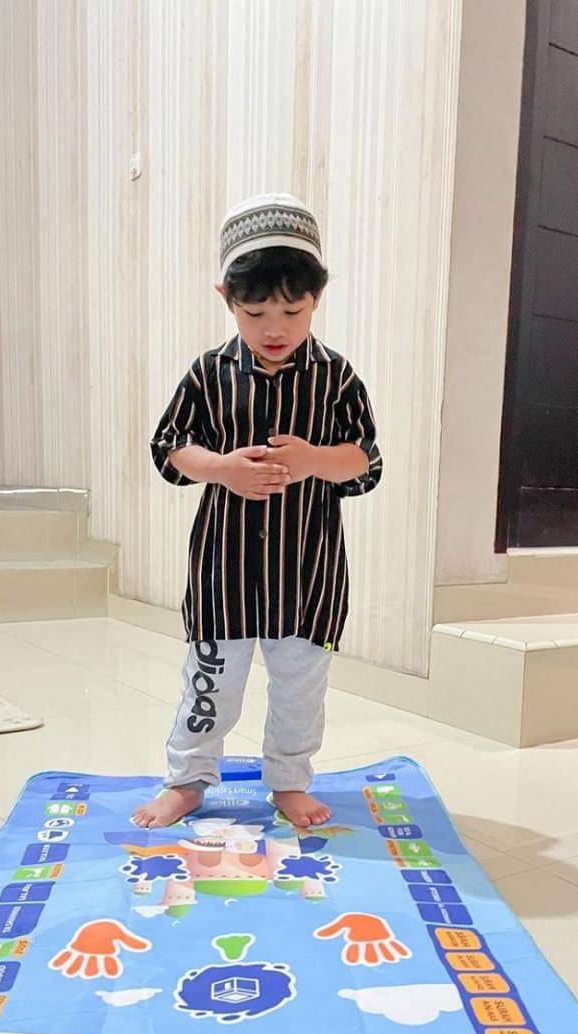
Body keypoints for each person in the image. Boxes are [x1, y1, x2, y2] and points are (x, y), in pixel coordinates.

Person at [132, 192, 382, 831]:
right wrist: (222, 468)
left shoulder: (337, 378)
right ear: (227, 299)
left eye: (293, 311)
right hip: (226, 571)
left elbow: (365, 459)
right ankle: (188, 779)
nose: (276, 328)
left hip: (308, 572)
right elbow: (170, 446)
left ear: (317, 298)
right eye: (256, 312)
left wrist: (313, 459)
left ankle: (289, 780)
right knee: (209, 683)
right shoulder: (208, 373)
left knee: (300, 688)